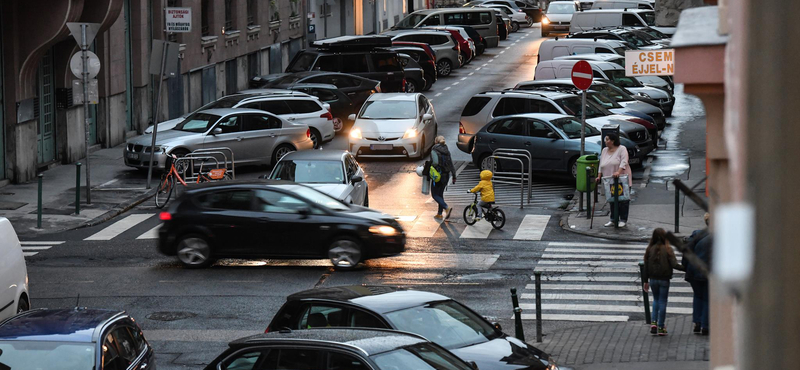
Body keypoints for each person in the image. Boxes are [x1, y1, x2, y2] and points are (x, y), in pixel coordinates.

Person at [642, 228, 685, 336]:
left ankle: (653, 323)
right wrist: (687, 268)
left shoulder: (650, 248)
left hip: (653, 279)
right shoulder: (668, 249)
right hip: (664, 279)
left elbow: (646, 266)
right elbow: (675, 264)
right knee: (662, 302)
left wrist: (645, 281)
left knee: (656, 300)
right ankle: (661, 326)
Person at [683, 213, 713, 335]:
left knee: (698, 296)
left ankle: (697, 322)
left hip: (694, 271)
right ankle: (705, 325)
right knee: (707, 298)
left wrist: (685, 266)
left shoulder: (697, 234)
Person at [596, 133, 633, 227]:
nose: (605, 141)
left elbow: (624, 161)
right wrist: (599, 176)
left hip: (621, 178)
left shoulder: (622, 149)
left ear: (612, 141)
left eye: (607, 139)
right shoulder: (604, 150)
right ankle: (613, 218)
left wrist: (618, 171)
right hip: (609, 179)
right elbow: (601, 164)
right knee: (612, 198)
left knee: (623, 199)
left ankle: (623, 219)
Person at [431, 136, 456, 219]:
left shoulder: (434, 150)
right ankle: (439, 213)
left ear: (436, 142)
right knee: (440, 194)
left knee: (435, 195)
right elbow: (451, 164)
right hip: (446, 175)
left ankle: (446, 207)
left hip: (438, 176)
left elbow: (434, 163)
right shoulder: (447, 151)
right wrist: (454, 175)